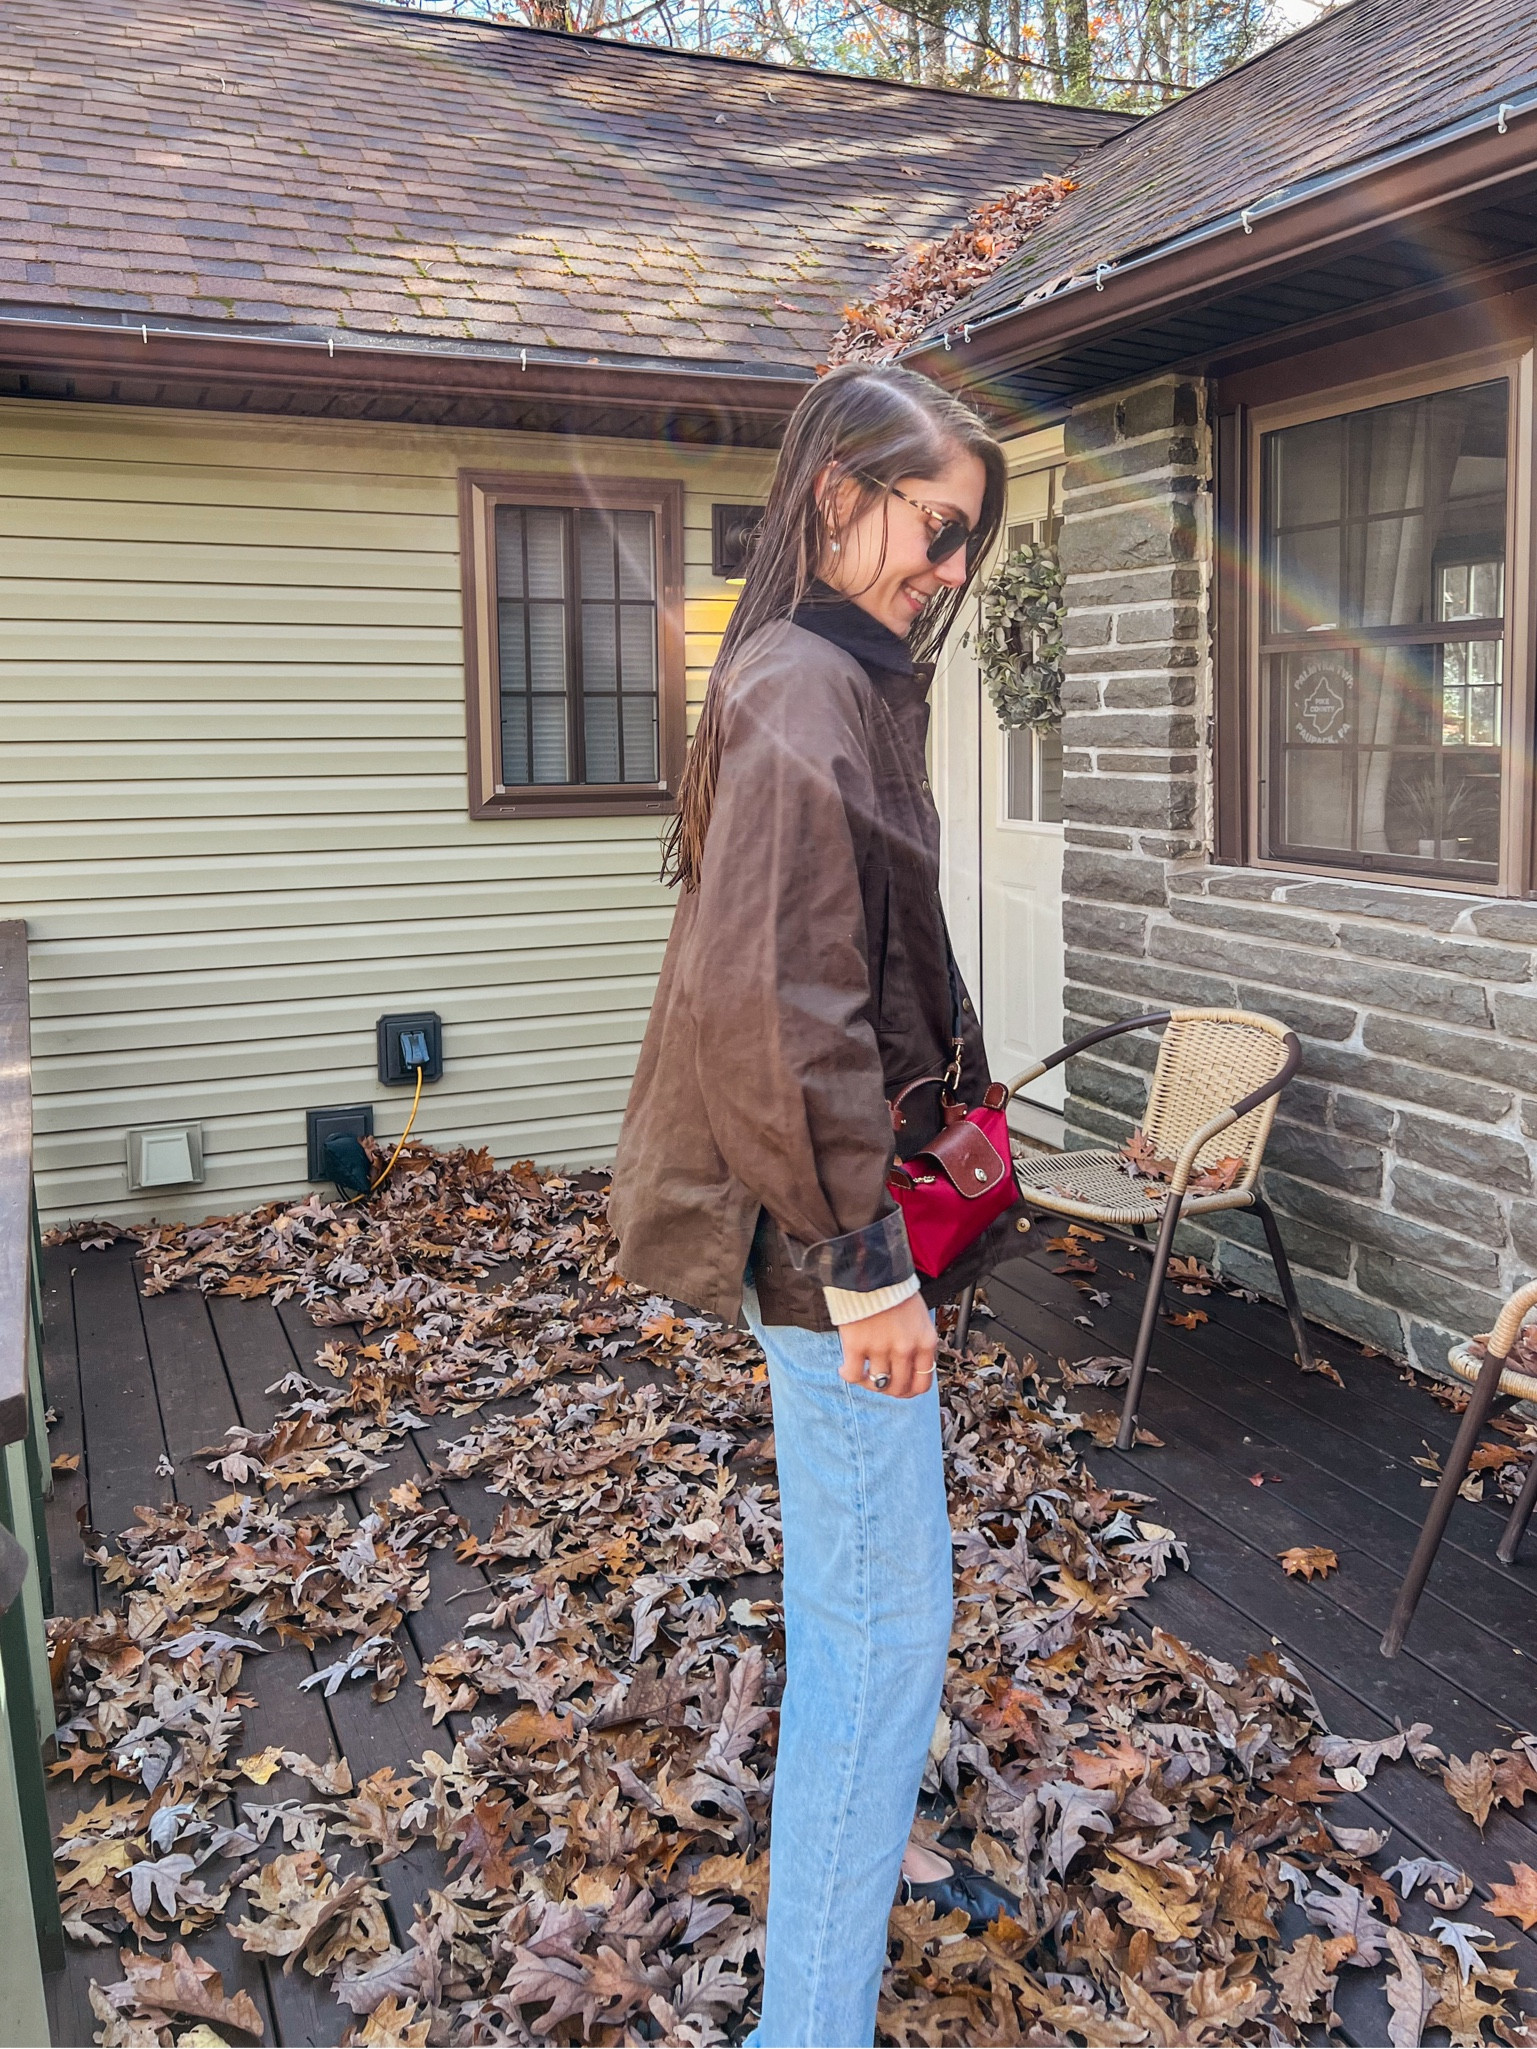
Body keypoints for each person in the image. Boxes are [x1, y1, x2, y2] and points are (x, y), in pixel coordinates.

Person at [610, 363, 1021, 2048]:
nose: (950, 566)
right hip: (818, 1242)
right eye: (938, 527)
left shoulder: (828, 674)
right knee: (883, 1629)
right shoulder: (802, 683)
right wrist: (866, 1266)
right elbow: (780, 1004)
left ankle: (852, 1872)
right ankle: (810, 2022)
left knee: (863, 1601)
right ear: (839, 493)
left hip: (826, 1224)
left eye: (968, 543)